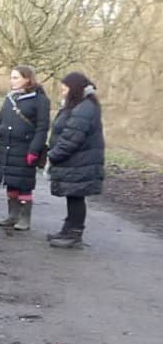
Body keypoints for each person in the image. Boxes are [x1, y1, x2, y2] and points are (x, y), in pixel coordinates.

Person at [0, 65, 51, 231]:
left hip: (25, 148)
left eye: (16, 77)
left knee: (24, 184)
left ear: (27, 79)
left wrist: (34, 150)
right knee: (10, 182)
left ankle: (25, 218)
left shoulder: (40, 100)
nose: (12, 81)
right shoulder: (10, 98)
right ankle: (12, 215)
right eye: (11, 77)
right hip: (7, 147)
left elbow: (42, 128)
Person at [46, 72, 105, 248]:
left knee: (76, 196)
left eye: (65, 87)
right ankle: (68, 229)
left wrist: (53, 155)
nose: (62, 90)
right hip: (76, 161)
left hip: (80, 161)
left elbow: (72, 138)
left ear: (74, 88)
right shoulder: (77, 105)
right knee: (73, 196)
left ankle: (74, 234)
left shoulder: (84, 108)